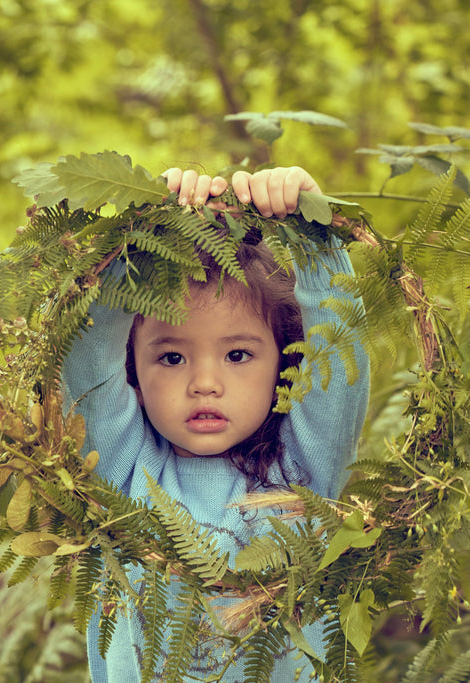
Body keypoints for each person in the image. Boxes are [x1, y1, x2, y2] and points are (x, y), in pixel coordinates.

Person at [62, 166, 370, 681]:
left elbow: (341, 349)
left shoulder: (304, 474)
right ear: (131, 368)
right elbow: (89, 352)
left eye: (237, 354)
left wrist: (313, 230)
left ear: (285, 364)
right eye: (172, 359)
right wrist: (144, 234)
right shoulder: (122, 472)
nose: (205, 383)